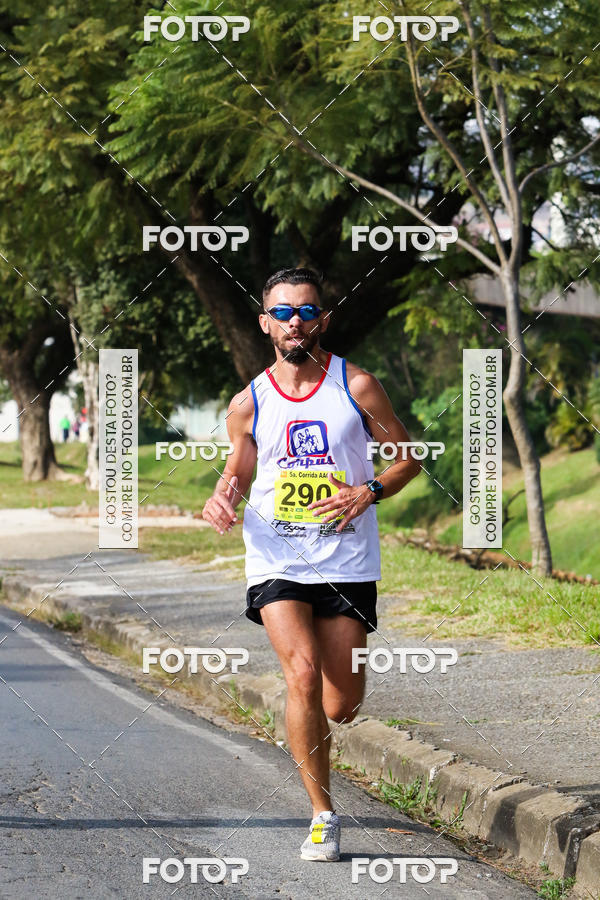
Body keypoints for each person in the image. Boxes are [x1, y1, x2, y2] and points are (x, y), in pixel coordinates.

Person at [202, 267, 421, 861]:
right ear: (265, 322)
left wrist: (366, 492)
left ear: (322, 319)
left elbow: (406, 459)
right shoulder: (247, 402)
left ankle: (317, 721)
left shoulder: (358, 386)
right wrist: (223, 493)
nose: (294, 321)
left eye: (306, 311)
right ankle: (323, 814)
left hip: (346, 559)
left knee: (340, 702)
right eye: (283, 311)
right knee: (299, 675)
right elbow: (240, 470)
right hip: (276, 555)